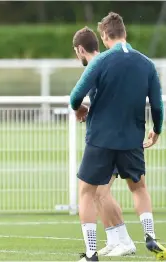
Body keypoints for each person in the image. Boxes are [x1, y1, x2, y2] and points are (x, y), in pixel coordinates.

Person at [69, 13, 165, 261]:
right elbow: (157, 105)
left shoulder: (100, 61)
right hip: (132, 139)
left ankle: (91, 252)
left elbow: (75, 96)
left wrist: (79, 108)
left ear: (104, 35)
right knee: (139, 188)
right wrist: (157, 129)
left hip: (101, 138)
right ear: (125, 32)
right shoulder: (146, 64)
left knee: (87, 192)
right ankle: (150, 235)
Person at [72, 26, 136, 257]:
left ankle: (124, 241)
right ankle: (115, 239)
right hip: (118, 135)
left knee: (97, 191)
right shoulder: (110, 62)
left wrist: (80, 108)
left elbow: (77, 97)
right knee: (99, 191)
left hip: (109, 139)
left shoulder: (98, 66)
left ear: (80, 49)